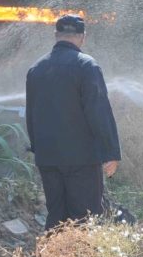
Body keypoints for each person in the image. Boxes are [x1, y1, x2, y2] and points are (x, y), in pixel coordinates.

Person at [26, 14, 121, 231]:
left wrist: (38, 149)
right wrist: (110, 152)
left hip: (48, 158)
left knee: (56, 217)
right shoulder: (86, 66)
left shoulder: (36, 69)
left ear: (56, 35)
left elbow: (31, 115)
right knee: (85, 219)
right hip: (82, 159)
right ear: (82, 37)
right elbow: (99, 112)